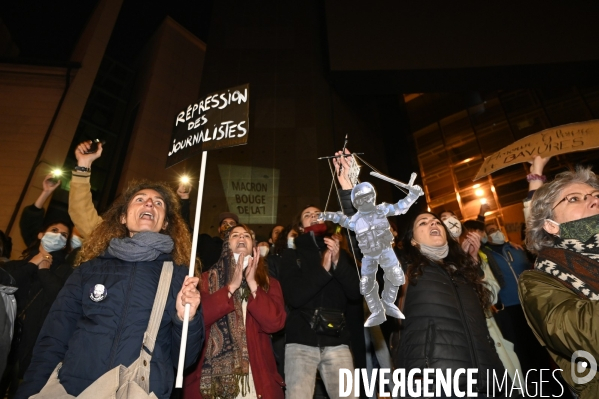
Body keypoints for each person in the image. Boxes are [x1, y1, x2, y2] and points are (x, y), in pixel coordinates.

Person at [15, 180, 203, 399]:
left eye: (158, 203)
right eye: (140, 199)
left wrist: (185, 319)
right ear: (123, 217)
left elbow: (184, 361)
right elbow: (54, 338)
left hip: (140, 390)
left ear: (165, 224)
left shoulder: (179, 277)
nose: (149, 203)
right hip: (74, 390)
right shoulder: (89, 270)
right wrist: (29, 392)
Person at [396, 211, 506, 395]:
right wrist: (351, 195)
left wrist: (472, 262)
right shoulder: (405, 271)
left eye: (437, 222)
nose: (433, 224)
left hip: (488, 384)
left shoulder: (461, 273)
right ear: (413, 241)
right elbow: (368, 246)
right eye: (423, 223)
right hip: (437, 385)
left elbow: (488, 304)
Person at [519, 166, 599, 397]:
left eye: (596, 195)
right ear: (551, 226)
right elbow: (585, 334)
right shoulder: (540, 279)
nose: (593, 201)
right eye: (574, 199)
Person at [183, 224, 286, 399]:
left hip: (257, 381)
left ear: (253, 246)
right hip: (211, 382)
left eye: (246, 236)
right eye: (235, 235)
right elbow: (198, 318)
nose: (241, 238)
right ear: (226, 245)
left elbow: (275, 323)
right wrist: (231, 287)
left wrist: (253, 284)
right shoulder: (205, 279)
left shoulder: (269, 283)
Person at [279, 205, 361, 399]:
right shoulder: (293, 255)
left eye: (318, 214)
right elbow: (295, 297)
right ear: (300, 227)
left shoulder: (341, 252)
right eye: (307, 215)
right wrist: (323, 271)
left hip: (337, 341)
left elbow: (356, 293)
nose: (314, 216)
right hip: (300, 343)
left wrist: (337, 263)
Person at [0, 219, 72, 398]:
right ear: (41, 234)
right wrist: (33, 263)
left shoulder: (66, 273)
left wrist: (44, 270)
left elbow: (61, 298)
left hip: (32, 350)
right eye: (54, 230)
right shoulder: (14, 266)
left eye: (64, 235)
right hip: (5, 338)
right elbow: (6, 286)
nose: (58, 236)